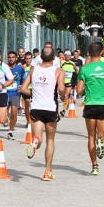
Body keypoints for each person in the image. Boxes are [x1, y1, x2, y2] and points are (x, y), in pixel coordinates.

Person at [76, 42, 104, 176]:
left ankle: (94, 166)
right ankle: (101, 142)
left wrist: (86, 92)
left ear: (89, 53)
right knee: (103, 136)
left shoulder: (85, 69)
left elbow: (79, 90)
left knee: (91, 136)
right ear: (102, 52)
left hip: (90, 105)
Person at [20, 47, 65, 181]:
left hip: (36, 108)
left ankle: (35, 141)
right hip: (50, 108)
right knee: (50, 140)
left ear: (40, 58)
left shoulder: (34, 69)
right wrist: (63, 97)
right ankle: (46, 172)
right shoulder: (58, 71)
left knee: (38, 137)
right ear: (54, 58)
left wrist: (34, 93)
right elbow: (62, 89)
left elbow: (23, 88)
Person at [6, 51, 25, 140]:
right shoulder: (4, 68)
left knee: (14, 113)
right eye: (9, 57)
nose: (11, 59)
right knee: (3, 117)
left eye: (13, 57)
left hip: (15, 94)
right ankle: (5, 119)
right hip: (4, 93)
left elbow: (24, 79)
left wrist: (22, 86)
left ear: (16, 58)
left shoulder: (20, 69)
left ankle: (11, 131)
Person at [59, 52, 78, 117]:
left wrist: (76, 77)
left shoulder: (72, 63)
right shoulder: (62, 62)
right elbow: (58, 70)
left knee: (66, 95)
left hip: (69, 82)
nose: (67, 56)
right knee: (62, 96)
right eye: (66, 55)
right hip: (62, 82)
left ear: (70, 56)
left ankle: (63, 110)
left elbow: (76, 71)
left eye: (68, 55)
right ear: (64, 56)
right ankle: (66, 103)